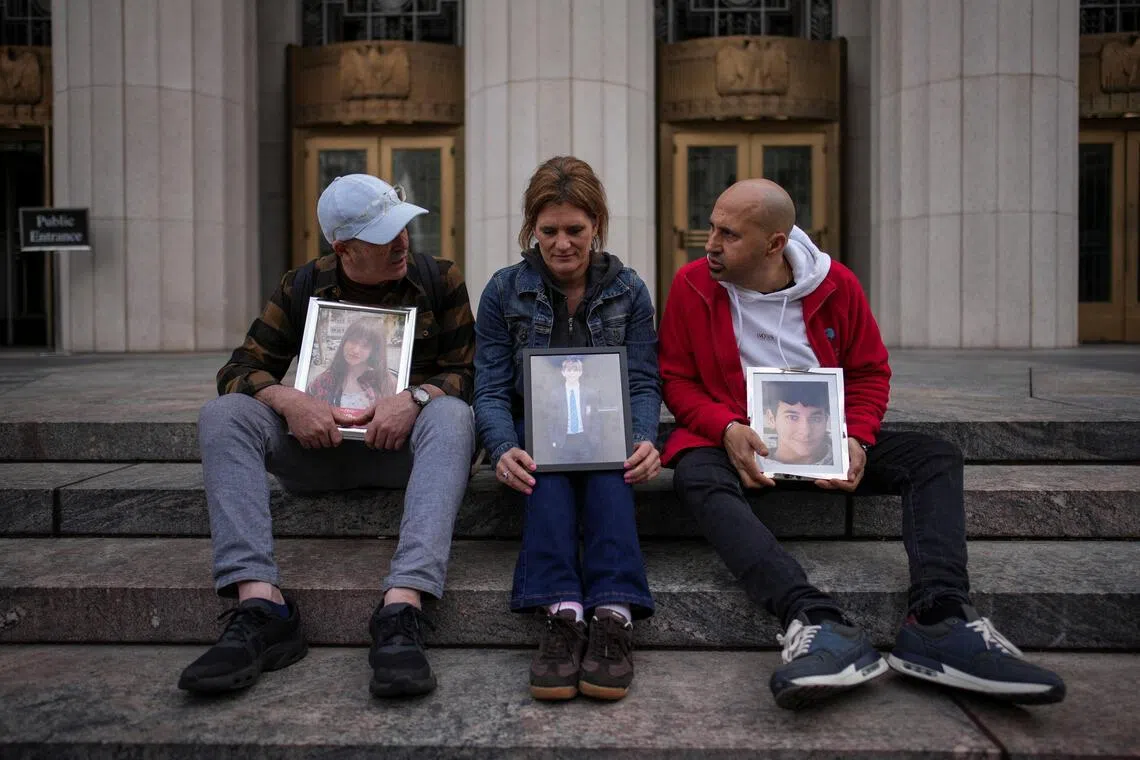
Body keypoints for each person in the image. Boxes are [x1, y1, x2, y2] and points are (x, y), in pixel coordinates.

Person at [659, 178, 1065, 710]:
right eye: (711, 226)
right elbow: (677, 379)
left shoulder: (837, 286)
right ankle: (813, 619)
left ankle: (940, 618)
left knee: (934, 455)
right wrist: (726, 429)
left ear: (775, 244)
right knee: (694, 471)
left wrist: (857, 438)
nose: (709, 243)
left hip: (823, 444)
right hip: (741, 444)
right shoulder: (691, 285)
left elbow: (871, 372)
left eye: (728, 234)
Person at [178, 174, 477, 699]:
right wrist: (289, 400)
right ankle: (260, 602)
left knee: (453, 416)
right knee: (223, 415)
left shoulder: (440, 279)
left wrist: (416, 399)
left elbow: (471, 373)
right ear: (344, 249)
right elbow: (239, 368)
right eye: (386, 236)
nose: (403, 242)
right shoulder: (300, 285)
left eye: (404, 227)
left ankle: (402, 608)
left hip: (406, 458)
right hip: (319, 452)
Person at [474, 156, 661, 702]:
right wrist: (503, 445)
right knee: (544, 471)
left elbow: (644, 383)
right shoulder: (503, 291)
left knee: (612, 469)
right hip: (536, 430)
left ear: (596, 225)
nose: (561, 243)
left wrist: (646, 438)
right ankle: (562, 612)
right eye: (549, 230)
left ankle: (614, 613)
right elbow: (488, 387)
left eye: (575, 230)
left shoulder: (629, 289)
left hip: (607, 428)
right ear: (532, 228)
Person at [305, 317, 397, 414]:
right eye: (353, 341)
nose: (355, 350)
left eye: (365, 345)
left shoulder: (387, 383)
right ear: (344, 341)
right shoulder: (322, 381)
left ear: (374, 351)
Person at [541, 356, 620, 464]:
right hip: (564, 440)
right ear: (563, 372)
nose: (572, 373)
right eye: (569, 370)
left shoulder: (590, 393)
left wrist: (594, 439)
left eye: (575, 370)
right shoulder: (555, 394)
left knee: (587, 469)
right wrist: (554, 440)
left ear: (580, 372)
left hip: (585, 439)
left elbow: (596, 418)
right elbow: (550, 420)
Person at [762, 380, 832, 466]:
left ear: (826, 420)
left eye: (815, 419)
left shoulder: (843, 463)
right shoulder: (754, 461)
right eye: (792, 417)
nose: (806, 431)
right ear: (771, 419)